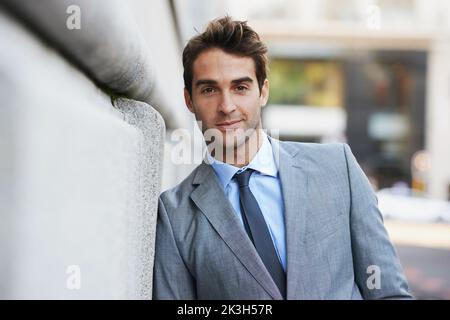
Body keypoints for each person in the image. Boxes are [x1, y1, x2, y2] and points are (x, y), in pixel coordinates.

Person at [152, 16, 412, 300]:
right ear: (189, 100)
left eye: (240, 87)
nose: (226, 106)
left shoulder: (339, 168)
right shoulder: (174, 215)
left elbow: (386, 290)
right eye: (210, 90)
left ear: (263, 91)